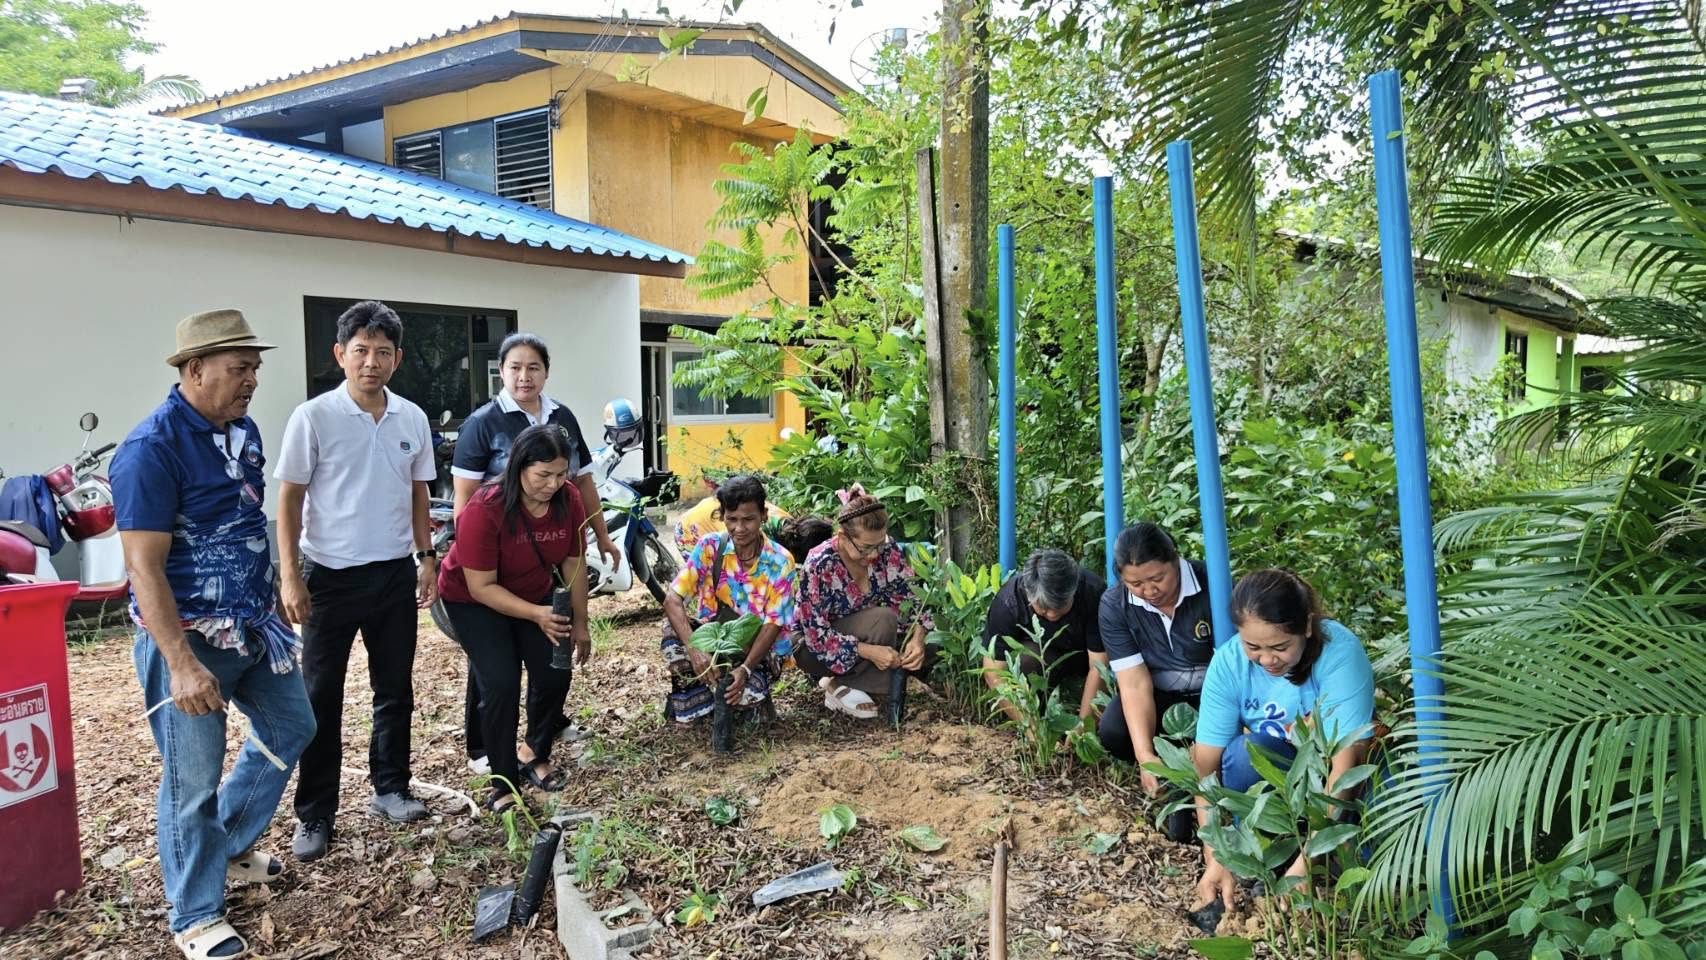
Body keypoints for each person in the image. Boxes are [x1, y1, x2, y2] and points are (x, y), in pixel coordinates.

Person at [112, 309, 317, 960]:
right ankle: (196, 915)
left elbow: (247, 520)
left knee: (292, 727)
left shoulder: (242, 430)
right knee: (191, 780)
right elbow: (143, 567)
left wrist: (275, 588)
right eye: (240, 368)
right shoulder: (151, 450)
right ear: (195, 370)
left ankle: (225, 846)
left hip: (254, 627)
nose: (252, 379)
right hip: (190, 638)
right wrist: (179, 662)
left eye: (255, 367)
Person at [274, 301, 438, 861]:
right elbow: (289, 500)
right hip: (329, 576)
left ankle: (390, 787)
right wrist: (291, 576)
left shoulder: (411, 418)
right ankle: (315, 812)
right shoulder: (313, 417)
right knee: (321, 696)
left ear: (397, 359)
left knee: (394, 690)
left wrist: (426, 556)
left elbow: (418, 492)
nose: (372, 362)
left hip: (393, 573)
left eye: (383, 352)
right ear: (340, 354)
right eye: (361, 351)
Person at [450, 332, 613, 774]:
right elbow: (465, 499)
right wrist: (473, 549)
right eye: (515, 368)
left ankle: (534, 745)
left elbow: (582, 485)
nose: (525, 376)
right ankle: (490, 758)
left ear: (546, 372)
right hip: (485, 570)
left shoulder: (562, 424)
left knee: (552, 664)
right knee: (496, 673)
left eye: (533, 367)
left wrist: (600, 536)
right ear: (501, 372)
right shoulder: (483, 423)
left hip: (534, 566)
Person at [1191, 569, 1375, 911]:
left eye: (1280, 647)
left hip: (1333, 783)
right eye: (1252, 647)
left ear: (1306, 628)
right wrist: (1216, 857)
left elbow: (1346, 765)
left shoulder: (1339, 653)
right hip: (1280, 788)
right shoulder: (1229, 664)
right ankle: (1269, 853)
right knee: (1246, 754)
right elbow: (1206, 768)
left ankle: (1326, 855)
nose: (1266, 660)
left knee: (1375, 833)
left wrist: (1306, 865)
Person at [438, 425, 591, 812]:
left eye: (561, 474)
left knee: (555, 671)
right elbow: (481, 587)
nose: (553, 484)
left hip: (533, 591)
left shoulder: (568, 498)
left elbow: (573, 561)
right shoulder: (485, 508)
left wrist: (581, 623)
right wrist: (538, 614)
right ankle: (503, 780)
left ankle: (532, 752)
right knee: (501, 682)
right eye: (543, 474)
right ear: (519, 467)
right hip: (473, 600)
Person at [660, 474, 795, 724]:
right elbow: (672, 600)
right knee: (672, 633)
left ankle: (747, 696)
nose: (739, 528)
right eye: (732, 519)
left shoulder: (780, 561)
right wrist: (695, 649)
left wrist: (745, 668)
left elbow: (774, 624)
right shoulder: (710, 547)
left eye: (748, 519)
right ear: (722, 516)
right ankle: (698, 704)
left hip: (757, 651)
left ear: (764, 515)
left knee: (743, 697)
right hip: (715, 640)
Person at [1095, 523, 1217, 795]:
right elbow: (1134, 684)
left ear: (1176, 560)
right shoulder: (1115, 606)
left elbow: (1234, 672)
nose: (1150, 591)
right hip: (1160, 696)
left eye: (1158, 578)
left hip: (1214, 695)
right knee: (1114, 730)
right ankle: (1167, 766)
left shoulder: (1213, 585)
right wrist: (1145, 756)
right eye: (1136, 584)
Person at [793, 486, 933, 720]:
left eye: (879, 544)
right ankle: (844, 683)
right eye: (866, 548)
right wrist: (868, 651)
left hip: (865, 631)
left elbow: (912, 598)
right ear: (842, 537)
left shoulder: (887, 550)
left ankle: (852, 683)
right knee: (883, 619)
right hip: (812, 647)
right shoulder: (819, 564)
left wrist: (918, 638)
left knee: (914, 637)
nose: (874, 555)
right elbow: (815, 636)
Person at [981, 548, 1108, 725]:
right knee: (1026, 660)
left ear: (1074, 591)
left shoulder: (1093, 592)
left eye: (1060, 606)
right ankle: (1038, 714)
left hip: (1084, 656)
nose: (1052, 614)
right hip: (1042, 658)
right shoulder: (1008, 603)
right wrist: (1031, 728)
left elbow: (1099, 666)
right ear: (1029, 595)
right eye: (1043, 607)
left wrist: (1083, 727)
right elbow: (994, 672)